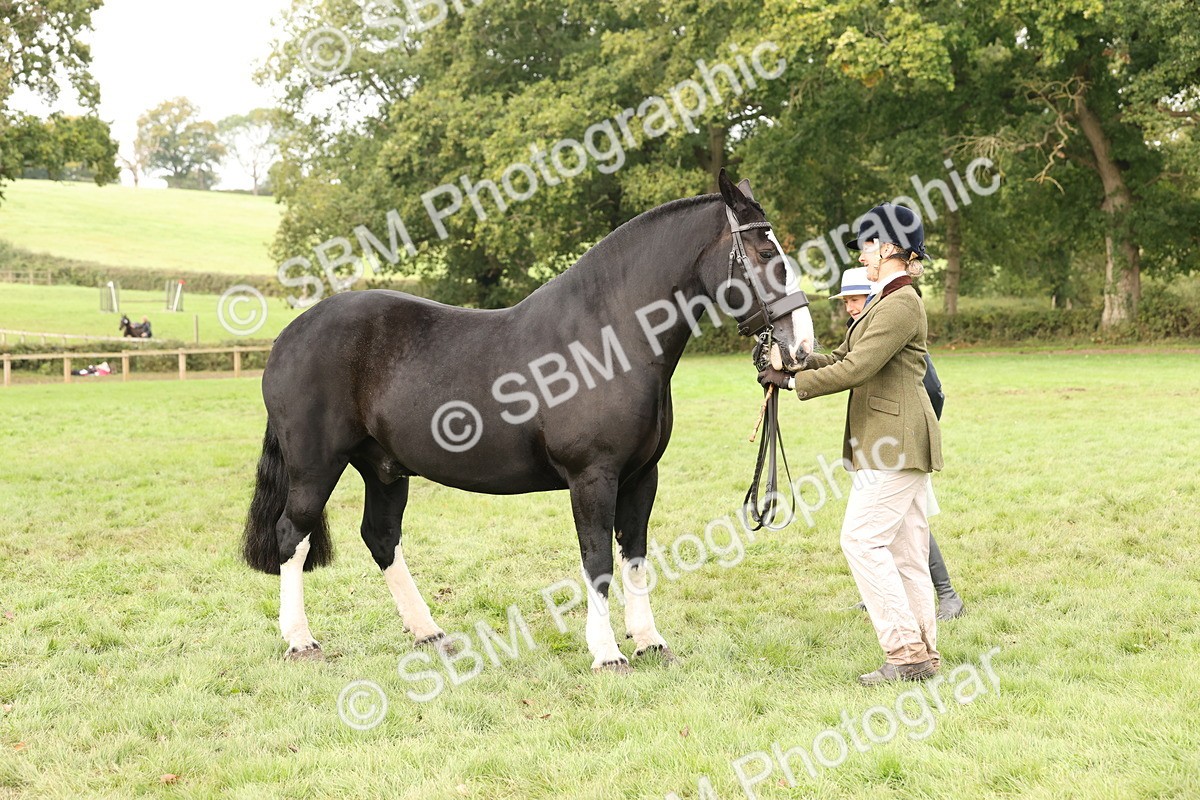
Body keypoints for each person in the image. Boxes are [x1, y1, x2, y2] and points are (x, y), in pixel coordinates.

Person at [759, 203, 941, 685]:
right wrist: (796, 364)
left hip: (895, 440)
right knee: (905, 551)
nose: (862, 255)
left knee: (860, 539)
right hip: (892, 438)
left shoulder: (901, 303)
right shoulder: (886, 299)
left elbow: (857, 369)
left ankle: (905, 653)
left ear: (888, 248)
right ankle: (921, 653)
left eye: (866, 245)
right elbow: (842, 356)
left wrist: (795, 385)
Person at [832, 268, 965, 621]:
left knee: (899, 529)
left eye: (855, 299)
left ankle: (948, 596)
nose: (849, 307)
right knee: (896, 527)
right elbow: (840, 361)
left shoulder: (895, 321)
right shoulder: (862, 327)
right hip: (876, 441)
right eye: (845, 301)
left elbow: (932, 389)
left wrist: (914, 434)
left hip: (902, 441)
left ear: (873, 297)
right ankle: (889, 597)